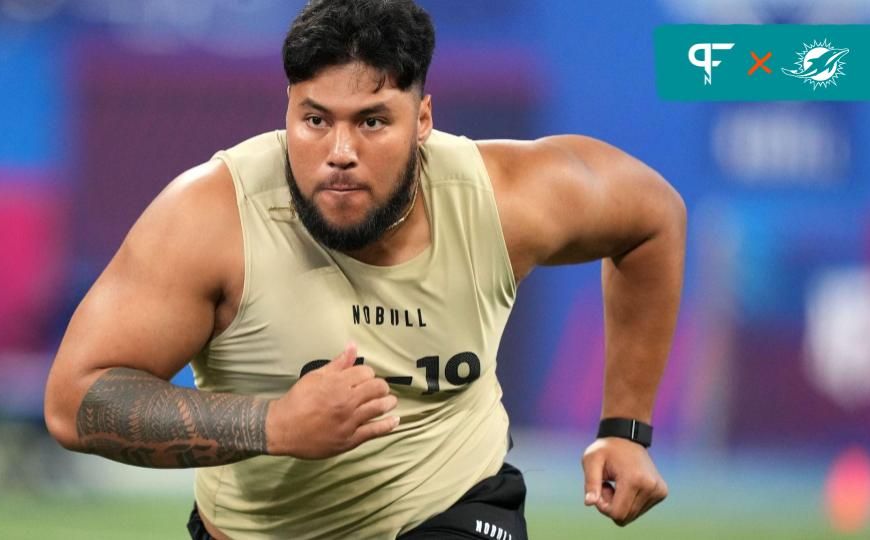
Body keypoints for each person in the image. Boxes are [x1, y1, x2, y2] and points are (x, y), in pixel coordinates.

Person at [43, 1, 684, 538]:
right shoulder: (213, 218)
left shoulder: (501, 201)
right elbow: (75, 402)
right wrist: (272, 426)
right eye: (315, 121)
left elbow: (652, 217)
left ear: (423, 121)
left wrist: (625, 430)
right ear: (287, 115)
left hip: (453, 506)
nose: (340, 154)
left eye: (373, 121)